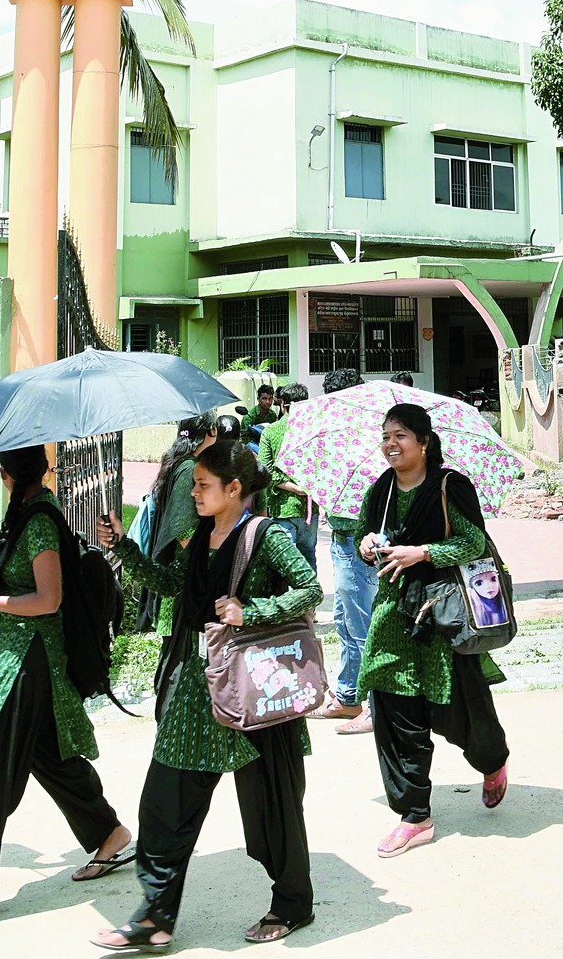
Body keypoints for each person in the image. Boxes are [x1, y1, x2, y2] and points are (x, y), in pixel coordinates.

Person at [94, 441, 321, 949]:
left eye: (202, 485)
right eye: (194, 484)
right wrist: (123, 548)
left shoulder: (266, 535)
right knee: (164, 801)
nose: (193, 493)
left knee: (273, 803)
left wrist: (251, 612)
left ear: (234, 488)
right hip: (198, 687)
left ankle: (292, 904)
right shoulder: (200, 535)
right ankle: (154, 917)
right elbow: (173, 585)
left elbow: (309, 590)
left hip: (252, 687)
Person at [0, 446, 132, 940]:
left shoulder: (37, 520)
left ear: (4, 474)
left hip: (26, 663)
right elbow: (12, 567)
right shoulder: (30, 511)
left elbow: (48, 598)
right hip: (23, 661)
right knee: (51, 754)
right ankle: (108, 833)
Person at [355, 403, 510, 858]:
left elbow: (473, 542)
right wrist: (367, 544)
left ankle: (492, 762)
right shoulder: (380, 490)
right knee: (393, 712)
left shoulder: (449, 485)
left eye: (400, 436)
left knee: (466, 712)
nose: (390, 444)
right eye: (386, 436)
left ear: (423, 442)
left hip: (443, 617)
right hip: (392, 617)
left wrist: (422, 552)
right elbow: (366, 539)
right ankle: (414, 816)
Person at [137, 413, 220, 639]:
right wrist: (205, 561)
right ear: (210, 432)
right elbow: (182, 527)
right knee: (179, 647)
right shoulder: (188, 469)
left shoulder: (183, 462)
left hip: (181, 573)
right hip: (181, 577)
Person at [313, 502, 377, 735]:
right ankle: (348, 697)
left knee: (361, 628)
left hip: (356, 543)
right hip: (342, 540)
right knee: (344, 623)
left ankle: (376, 706)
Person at [256, 385, 318, 571]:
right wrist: (302, 489)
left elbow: (264, 470)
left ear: (283, 404)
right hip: (309, 508)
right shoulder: (315, 430)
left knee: (286, 564)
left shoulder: (271, 431)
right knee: (308, 556)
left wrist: (291, 487)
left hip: (282, 507)